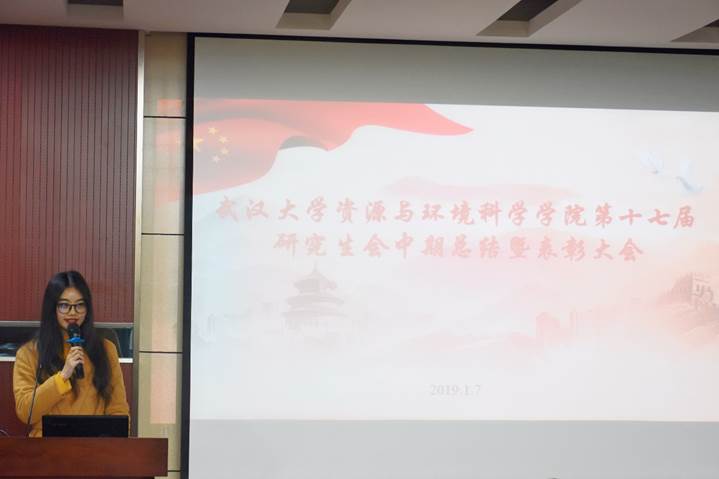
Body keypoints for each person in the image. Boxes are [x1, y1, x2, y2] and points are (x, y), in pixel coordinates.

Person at [13, 271, 129, 437]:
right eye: (64, 305)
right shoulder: (29, 353)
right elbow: (26, 413)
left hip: (93, 446)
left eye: (80, 305)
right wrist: (62, 377)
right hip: (46, 447)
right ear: (52, 309)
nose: (73, 312)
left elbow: (118, 410)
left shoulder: (106, 349)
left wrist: (113, 446)